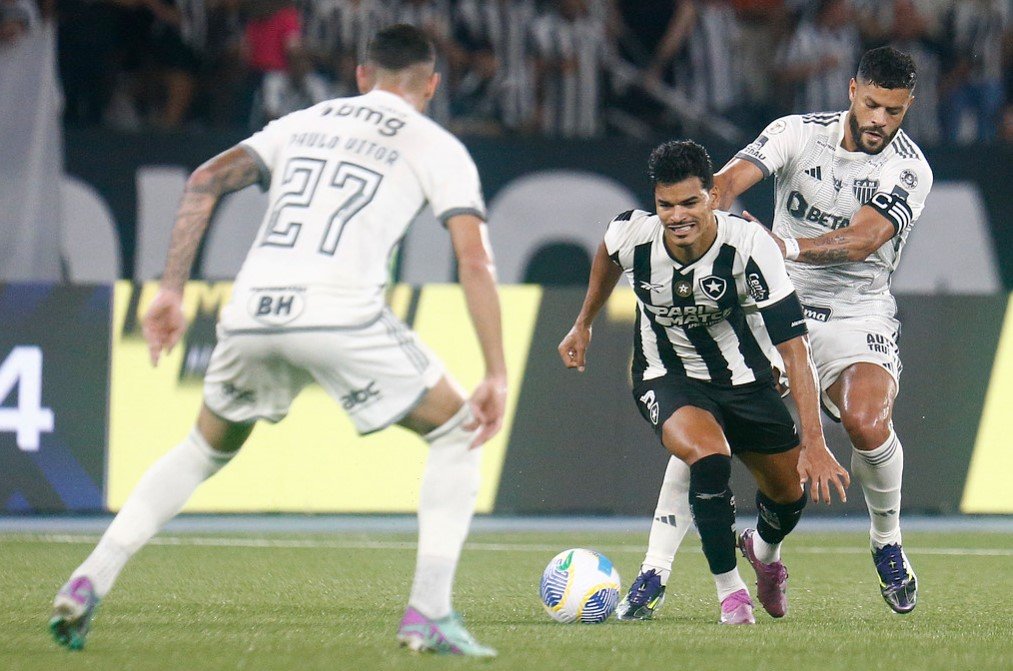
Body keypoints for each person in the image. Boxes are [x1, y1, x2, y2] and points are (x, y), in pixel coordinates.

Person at [48, 24, 506, 658]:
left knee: (201, 449)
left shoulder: (303, 121)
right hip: (339, 313)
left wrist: (172, 291)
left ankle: (88, 579)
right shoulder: (437, 144)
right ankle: (428, 612)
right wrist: (496, 372)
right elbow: (474, 260)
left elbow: (204, 179)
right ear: (430, 86)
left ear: (361, 76)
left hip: (251, 310)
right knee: (460, 429)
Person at [619, 46, 932, 620]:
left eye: (893, 111)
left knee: (867, 423)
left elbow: (865, 240)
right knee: (703, 425)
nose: (878, 121)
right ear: (852, 90)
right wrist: (701, 222)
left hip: (857, 312)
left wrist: (781, 244)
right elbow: (725, 184)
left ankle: (886, 543)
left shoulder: (909, 168)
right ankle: (654, 569)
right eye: (871, 105)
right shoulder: (796, 133)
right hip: (771, 304)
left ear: (908, 106)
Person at [558, 140, 849, 625]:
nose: (677, 217)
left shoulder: (749, 246)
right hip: (666, 375)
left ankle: (764, 553)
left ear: (713, 196)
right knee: (708, 456)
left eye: (689, 203)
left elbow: (795, 350)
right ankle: (728, 591)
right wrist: (583, 322)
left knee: (788, 496)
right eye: (666, 205)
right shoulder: (632, 235)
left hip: (745, 378)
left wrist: (815, 442)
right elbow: (607, 255)